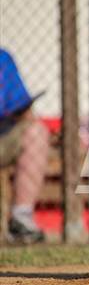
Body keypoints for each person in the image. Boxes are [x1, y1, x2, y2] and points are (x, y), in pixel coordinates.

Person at [0, 48, 49, 243]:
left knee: (36, 131)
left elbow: (25, 110)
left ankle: (21, 219)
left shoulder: (3, 59)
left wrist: (22, 111)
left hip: (4, 133)